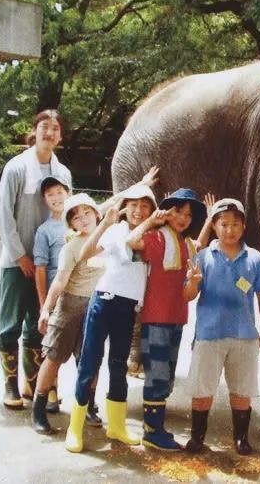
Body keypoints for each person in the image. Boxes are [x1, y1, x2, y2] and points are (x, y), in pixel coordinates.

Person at [31, 168, 159, 435]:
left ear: (96, 213)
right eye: (76, 217)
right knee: (55, 357)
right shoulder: (74, 246)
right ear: (72, 224)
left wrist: (142, 183)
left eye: (87, 213)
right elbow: (60, 280)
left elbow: (119, 202)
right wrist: (47, 309)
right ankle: (39, 407)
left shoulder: (110, 233)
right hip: (71, 306)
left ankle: (89, 405)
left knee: (90, 360)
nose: (83, 218)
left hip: (98, 305)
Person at [64, 184, 157, 453]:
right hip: (104, 300)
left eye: (145, 206)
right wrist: (104, 224)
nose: (139, 211)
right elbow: (83, 255)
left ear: (151, 209)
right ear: (126, 207)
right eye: (134, 205)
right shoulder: (116, 230)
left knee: (119, 365)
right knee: (89, 363)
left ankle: (116, 426)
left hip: (128, 308)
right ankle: (75, 427)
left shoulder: (153, 236)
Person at [0, 109, 71, 410]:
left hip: (50, 266)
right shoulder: (16, 168)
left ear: (60, 136)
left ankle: (34, 383)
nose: (49, 133)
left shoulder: (63, 174)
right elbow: (2, 214)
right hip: (17, 263)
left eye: (55, 128)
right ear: (34, 131)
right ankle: (10, 385)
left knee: (39, 325)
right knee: (10, 325)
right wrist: (20, 255)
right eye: (44, 127)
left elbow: (68, 216)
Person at [183, 198, 260, 456]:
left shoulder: (255, 258)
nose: (229, 230)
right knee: (202, 390)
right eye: (223, 224)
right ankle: (197, 438)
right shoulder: (203, 257)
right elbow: (188, 296)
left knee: (242, 392)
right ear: (214, 225)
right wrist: (192, 282)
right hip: (209, 335)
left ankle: (241, 439)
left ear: (243, 227)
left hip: (245, 336)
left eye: (235, 224)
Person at [126, 188, 212, 450]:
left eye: (188, 214)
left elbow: (200, 246)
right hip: (156, 317)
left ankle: (156, 427)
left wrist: (208, 219)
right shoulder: (157, 238)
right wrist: (151, 221)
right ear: (167, 212)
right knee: (157, 373)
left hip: (176, 317)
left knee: (168, 373)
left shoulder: (184, 243)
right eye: (177, 211)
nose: (183, 218)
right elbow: (131, 242)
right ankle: (151, 432)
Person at [32, 175, 71, 413]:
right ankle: (50, 393)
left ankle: (87, 403)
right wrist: (43, 305)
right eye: (50, 195)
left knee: (84, 349)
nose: (56, 198)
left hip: (82, 293)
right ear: (45, 201)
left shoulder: (80, 219)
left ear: (68, 191)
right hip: (57, 297)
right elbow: (40, 269)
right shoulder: (44, 231)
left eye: (59, 192)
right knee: (53, 349)